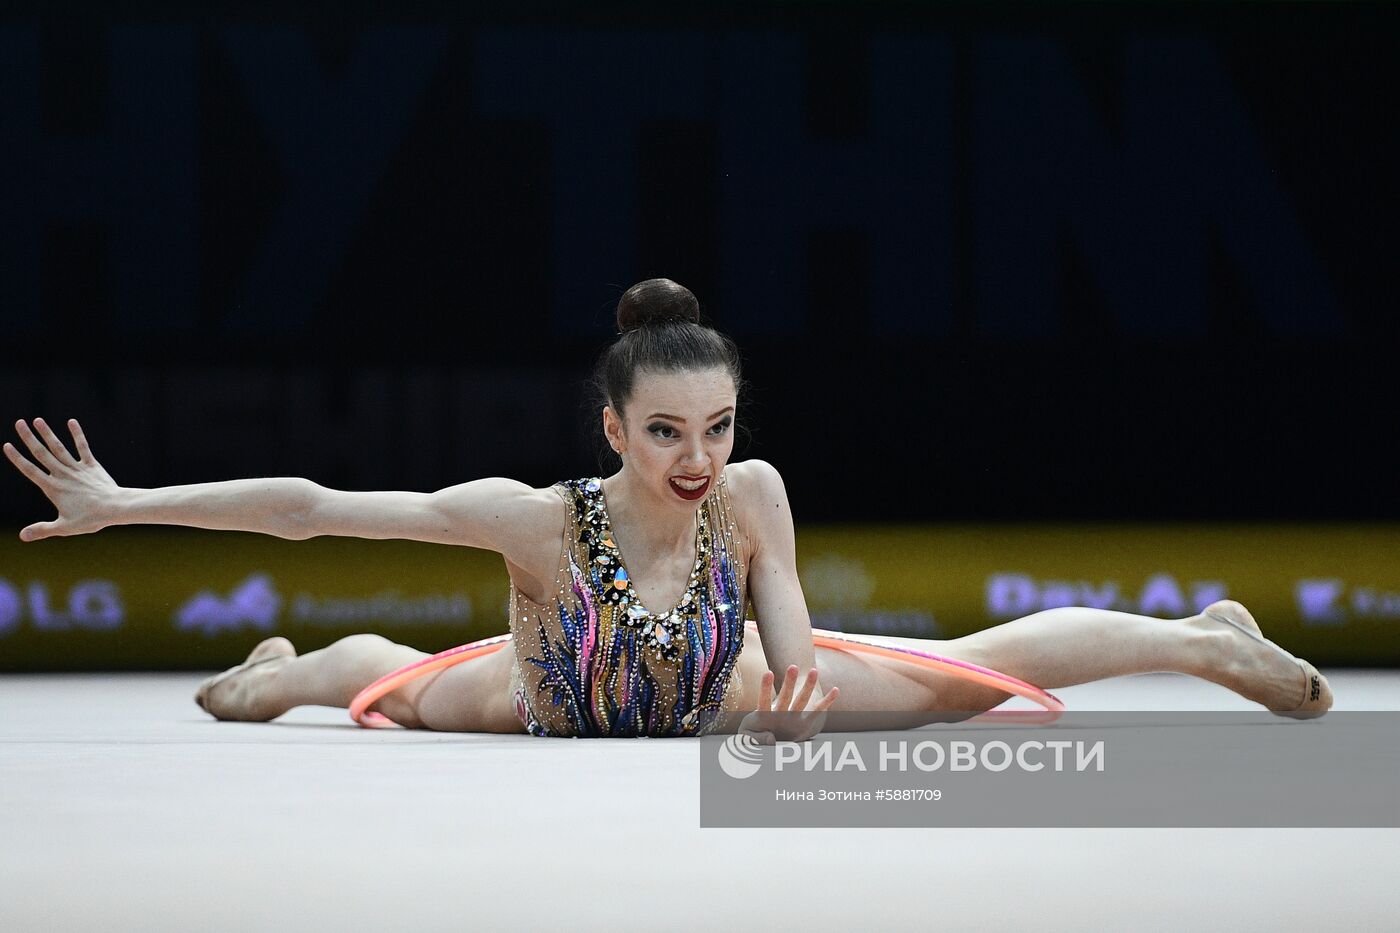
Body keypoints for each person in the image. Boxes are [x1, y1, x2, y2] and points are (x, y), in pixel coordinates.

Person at [4, 279, 1332, 741]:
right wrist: (125, 504)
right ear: (611, 429)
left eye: (717, 427)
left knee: (958, 677)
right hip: (544, 697)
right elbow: (315, 508)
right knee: (384, 683)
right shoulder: (533, 521)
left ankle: (1204, 640)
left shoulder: (750, 491)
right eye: (664, 434)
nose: (697, 460)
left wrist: (798, 691)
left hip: (718, 691)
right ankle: (276, 671)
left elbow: (785, 599)